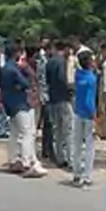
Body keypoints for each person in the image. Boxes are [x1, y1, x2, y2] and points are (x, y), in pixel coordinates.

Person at [0, 43, 47, 178]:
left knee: (14, 133)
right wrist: (26, 70)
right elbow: (27, 83)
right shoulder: (15, 69)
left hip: (10, 104)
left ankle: (13, 160)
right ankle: (26, 162)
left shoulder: (5, 68)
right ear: (16, 54)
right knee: (28, 133)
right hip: (20, 103)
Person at [71, 49, 97, 186]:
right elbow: (89, 100)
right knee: (89, 146)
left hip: (78, 111)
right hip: (88, 114)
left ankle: (76, 173)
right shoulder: (91, 79)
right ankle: (87, 175)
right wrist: (94, 115)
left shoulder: (78, 75)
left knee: (77, 144)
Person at [45, 39, 72, 168]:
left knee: (57, 129)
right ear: (64, 49)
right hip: (63, 98)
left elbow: (48, 80)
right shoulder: (62, 62)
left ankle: (59, 157)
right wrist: (69, 89)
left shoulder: (49, 62)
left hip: (52, 98)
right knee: (67, 129)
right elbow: (62, 78)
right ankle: (70, 158)